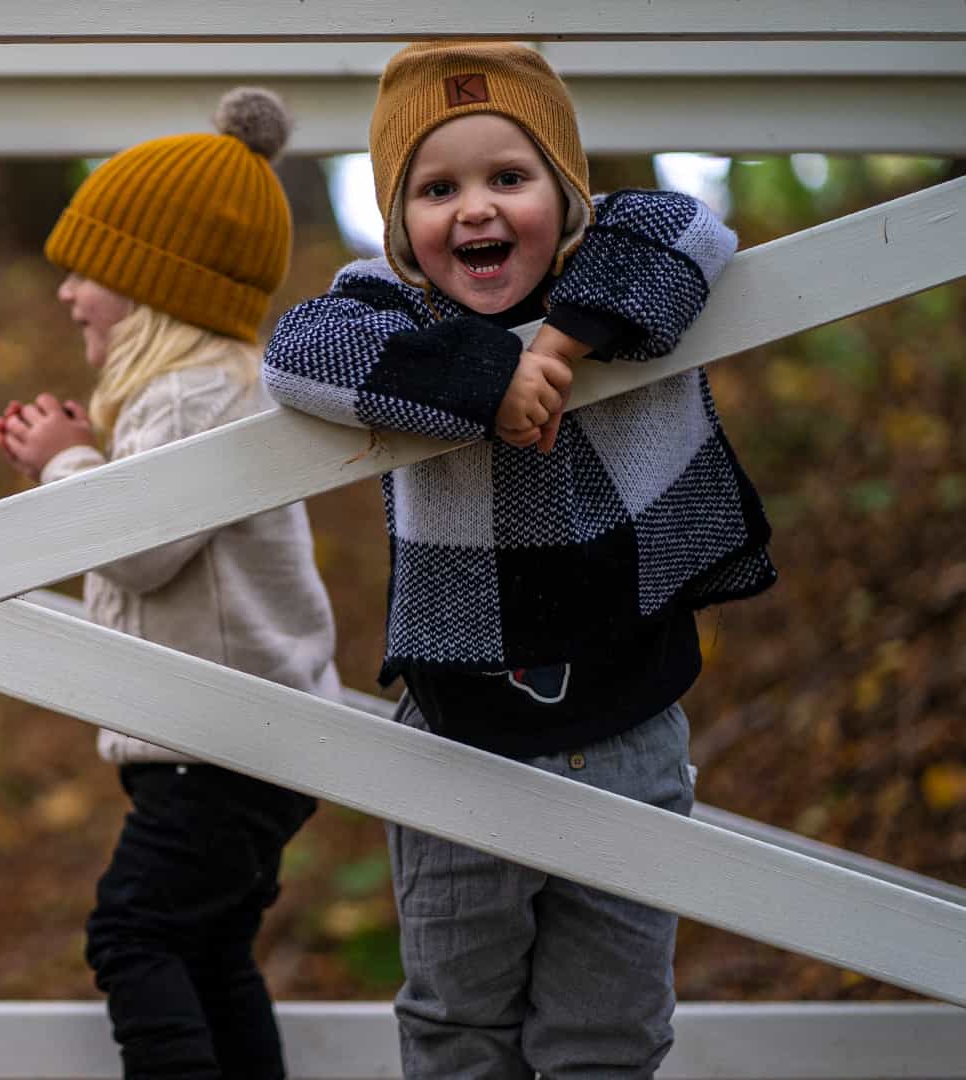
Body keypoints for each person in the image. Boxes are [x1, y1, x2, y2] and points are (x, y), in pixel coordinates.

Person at [261, 43, 776, 1078]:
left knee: (611, 1034)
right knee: (459, 1029)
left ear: (567, 194)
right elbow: (296, 352)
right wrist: (488, 375)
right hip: (463, 746)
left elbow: (692, 223)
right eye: (437, 189)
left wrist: (559, 347)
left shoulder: (621, 273)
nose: (477, 210)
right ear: (401, 225)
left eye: (511, 177)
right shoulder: (391, 309)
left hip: (632, 730)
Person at [0, 88, 342, 1080]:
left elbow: (142, 548)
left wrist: (67, 464)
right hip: (233, 742)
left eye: (88, 272)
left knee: (132, 936)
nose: (68, 294)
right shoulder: (205, 392)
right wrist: (76, 458)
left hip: (216, 742)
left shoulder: (193, 395)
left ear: (155, 282)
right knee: (210, 952)